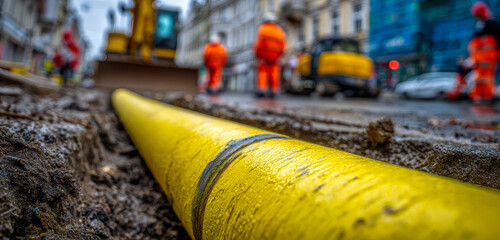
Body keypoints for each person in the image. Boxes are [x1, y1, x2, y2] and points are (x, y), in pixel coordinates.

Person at [468, 1, 500, 102]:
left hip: (489, 58)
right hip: (480, 58)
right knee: (480, 78)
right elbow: (474, 42)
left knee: (486, 77)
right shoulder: (480, 25)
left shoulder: (492, 24)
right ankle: (481, 96)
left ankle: (487, 96)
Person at [254, 12, 287, 98]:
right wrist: (279, 55)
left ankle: (262, 90)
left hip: (263, 56)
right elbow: (283, 45)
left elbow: (258, 44)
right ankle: (274, 91)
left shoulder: (262, 29)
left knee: (263, 73)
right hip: (275, 57)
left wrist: (258, 55)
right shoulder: (280, 31)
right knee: (274, 73)